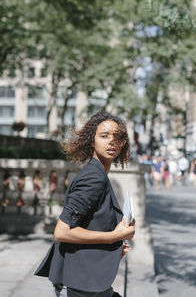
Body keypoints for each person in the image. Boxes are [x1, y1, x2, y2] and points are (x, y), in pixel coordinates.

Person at [35, 111, 135, 297]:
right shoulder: (93, 178)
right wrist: (114, 236)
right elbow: (62, 232)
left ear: (123, 143)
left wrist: (112, 246)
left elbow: (88, 224)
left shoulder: (97, 174)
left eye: (117, 137)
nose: (111, 141)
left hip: (88, 281)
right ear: (92, 141)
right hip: (79, 286)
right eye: (104, 136)